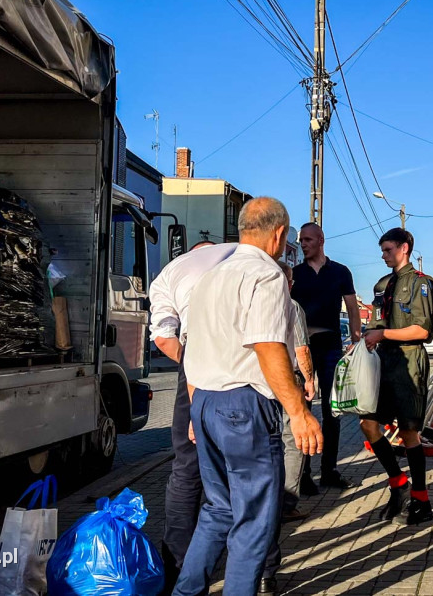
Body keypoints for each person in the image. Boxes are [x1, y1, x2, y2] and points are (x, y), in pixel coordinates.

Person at [173, 197, 323, 596]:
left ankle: (186, 592)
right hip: (244, 407)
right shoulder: (268, 276)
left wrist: (194, 411)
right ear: (278, 235)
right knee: (254, 519)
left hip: (204, 400)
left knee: (217, 510)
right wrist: (298, 411)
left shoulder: (210, 278)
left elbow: (193, 350)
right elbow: (268, 345)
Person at [148, 239, 237, 593]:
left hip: (197, 355)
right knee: (247, 465)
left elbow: (163, 338)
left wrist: (196, 365)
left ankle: (179, 564)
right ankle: (258, 565)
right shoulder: (238, 254)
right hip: (247, 359)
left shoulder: (170, 273)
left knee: (187, 467)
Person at [361, 227, 433, 526]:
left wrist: (383, 333)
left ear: (404, 248)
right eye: (382, 251)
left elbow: (423, 331)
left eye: (388, 250)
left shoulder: (422, 283)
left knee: (408, 434)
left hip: (409, 363)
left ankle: (421, 500)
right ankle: (397, 483)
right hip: (382, 364)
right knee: (367, 424)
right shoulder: (382, 285)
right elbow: (375, 322)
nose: (383, 255)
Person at [260, 261, 317, 593]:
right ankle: (285, 504)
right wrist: (309, 380)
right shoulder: (290, 305)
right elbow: (301, 348)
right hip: (288, 384)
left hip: (253, 388)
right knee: (292, 444)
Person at [291, 222, 361, 490]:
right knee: (303, 408)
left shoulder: (340, 272)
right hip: (303, 350)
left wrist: (356, 341)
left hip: (332, 347)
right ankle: (304, 474)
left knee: (333, 410)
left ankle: (329, 470)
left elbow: (353, 308)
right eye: (301, 240)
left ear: (321, 240)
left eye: (308, 239)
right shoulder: (296, 274)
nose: (303, 244)